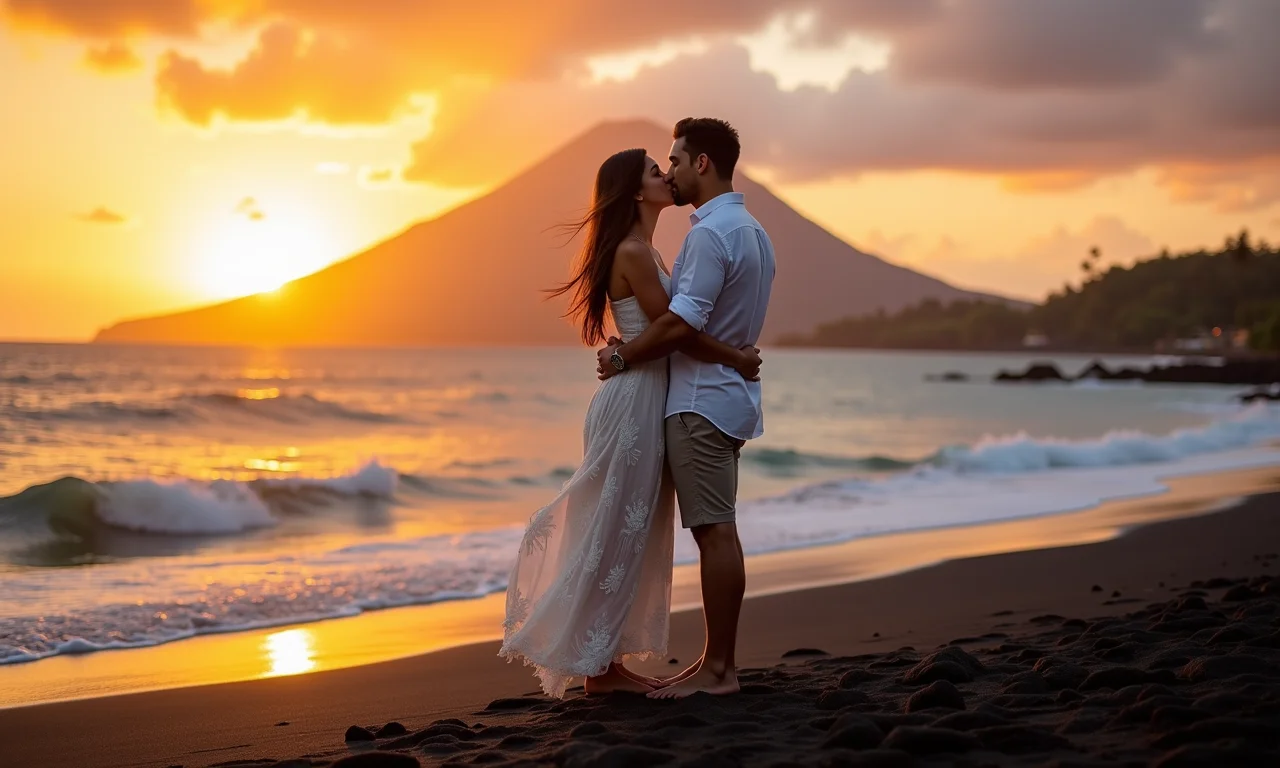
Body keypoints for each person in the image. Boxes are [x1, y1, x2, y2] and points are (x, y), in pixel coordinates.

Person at [498, 144, 761, 697]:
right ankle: (598, 669)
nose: (665, 174)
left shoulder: (644, 249)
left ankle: (606, 663)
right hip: (634, 400)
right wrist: (735, 357)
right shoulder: (636, 254)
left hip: (641, 394)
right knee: (616, 526)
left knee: (627, 529)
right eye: (653, 170)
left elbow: (660, 331)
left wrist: (629, 348)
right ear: (637, 192)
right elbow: (676, 330)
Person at [597, 117, 775, 699]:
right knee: (716, 530)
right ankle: (713, 663)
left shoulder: (706, 235)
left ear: (702, 163)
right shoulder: (754, 232)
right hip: (729, 400)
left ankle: (720, 670)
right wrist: (740, 359)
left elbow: (678, 323)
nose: (669, 171)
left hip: (699, 401)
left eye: (674, 160)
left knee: (715, 533)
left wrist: (623, 358)